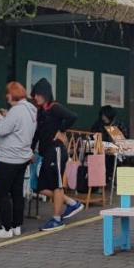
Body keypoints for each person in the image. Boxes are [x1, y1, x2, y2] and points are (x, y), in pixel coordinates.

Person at [31, 79, 82, 231]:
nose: (35, 97)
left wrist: (61, 130)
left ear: (45, 95)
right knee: (40, 187)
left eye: (38, 94)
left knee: (57, 185)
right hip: (46, 153)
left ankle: (57, 219)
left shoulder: (55, 108)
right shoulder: (41, 111)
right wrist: (30, 150)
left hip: (57, 151)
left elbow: (73, 117)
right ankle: (73, 204)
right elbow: (37, 134)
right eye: (35, 94)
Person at [0, 82, 37, 240]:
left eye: (8, 93)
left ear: (13, 94)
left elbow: (1, 130)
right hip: (23, 158)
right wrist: (7, 117)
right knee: (17, 192)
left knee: (1, 192)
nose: (6, 96)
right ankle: (16, 226)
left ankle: (6, 228)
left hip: (9, 158)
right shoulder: (31, 109)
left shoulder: (16, 111)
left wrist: (0, 118)